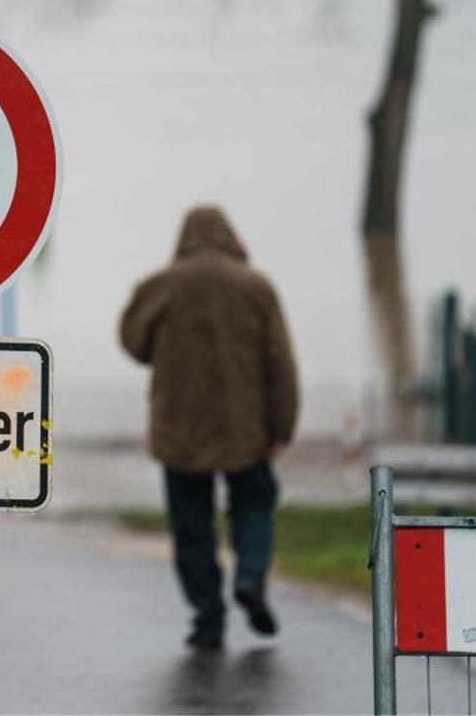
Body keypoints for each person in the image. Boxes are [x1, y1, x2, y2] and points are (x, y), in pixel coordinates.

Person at [119, 205, 299, 651]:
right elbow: (281, 363)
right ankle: (251, 577)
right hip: (247, 429)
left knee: (191, 526)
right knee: (255, 505)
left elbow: (134, 343)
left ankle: (207, 617)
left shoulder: (159, 286)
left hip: (179, 429)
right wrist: (283, 428)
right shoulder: (257, 288)